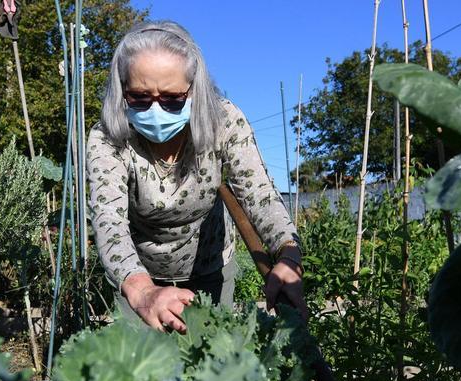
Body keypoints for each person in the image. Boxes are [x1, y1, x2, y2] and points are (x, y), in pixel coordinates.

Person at [87, 20, 305, 334]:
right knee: (145, 375)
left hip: (209, 266)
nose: (156, 109)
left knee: (212, 368)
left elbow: (259, 195)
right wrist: (143, 291)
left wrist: (288, 253)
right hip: (139, 272)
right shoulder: (107, 138)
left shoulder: (224, 120)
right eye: (140, 98)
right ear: (122, 91)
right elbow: (109, 222)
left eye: (173, 98)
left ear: (195, 91)